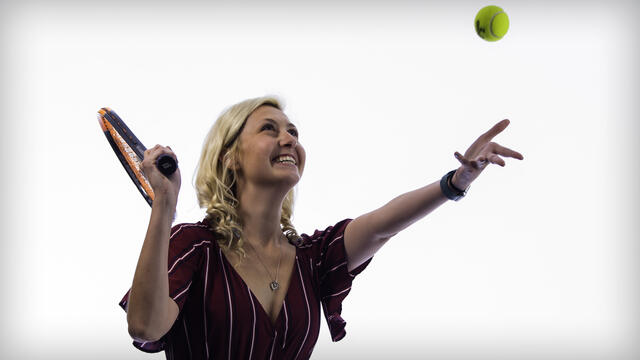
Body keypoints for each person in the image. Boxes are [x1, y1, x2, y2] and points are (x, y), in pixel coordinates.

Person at [119, 96, 524, 359]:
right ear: (230, 158)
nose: (289, 139)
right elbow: (145, 326)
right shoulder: (193, 246)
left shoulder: (312, 260)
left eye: (293, 132)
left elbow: (382, 225)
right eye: (269, 129)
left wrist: (456, 182)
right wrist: (164, 208)